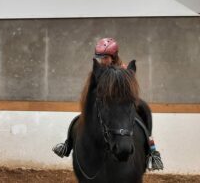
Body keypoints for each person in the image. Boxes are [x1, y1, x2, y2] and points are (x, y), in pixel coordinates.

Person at [52, 37, 163, 170]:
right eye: (100, 57)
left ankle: (152, 152)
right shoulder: (98, 71)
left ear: (114, 56)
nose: (102, 60)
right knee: (77, 120)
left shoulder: (123, 69)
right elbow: (90, 91)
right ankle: (67, 145)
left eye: (105, 57)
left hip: (121, 104)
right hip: (103, 104)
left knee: (145, 110)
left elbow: (130, 88)